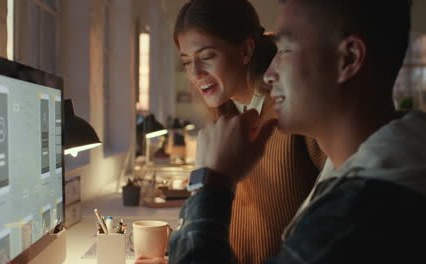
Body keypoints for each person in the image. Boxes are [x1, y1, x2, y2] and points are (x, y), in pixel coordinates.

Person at [164, 0, 426, 263]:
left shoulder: (359, 215)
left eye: (285, 50)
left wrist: (209, 184)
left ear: (349, 59)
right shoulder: (362, 187)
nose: (269, 74)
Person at [163, 0, 325, 263]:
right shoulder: (225, 119)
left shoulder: (295, 114)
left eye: (206, 57)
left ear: (246, 49)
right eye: (186, 62)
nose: (195, 72)